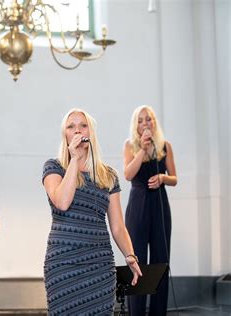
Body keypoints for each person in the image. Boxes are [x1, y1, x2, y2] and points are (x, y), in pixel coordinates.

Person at [42, 108, 142, 315]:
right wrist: (74, 160)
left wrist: (130, 255)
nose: (77, 130)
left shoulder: (108, 175)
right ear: (65, 135)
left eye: (83, 125)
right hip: (63, 262)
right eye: (71, 126)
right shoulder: (54, 167)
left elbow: (118, 226)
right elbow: (62, 202)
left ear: (91, 132)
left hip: (99, 264)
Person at [124, 105, 177, 316]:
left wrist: (163, 178)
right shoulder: (130, 146)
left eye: (149, 119)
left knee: (160, 261)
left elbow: (174, 178)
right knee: (137, 262)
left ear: (154, 122)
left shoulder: (165, 146)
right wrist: (143, 151)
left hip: (160, 207)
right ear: (135, 125)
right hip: (138, 208)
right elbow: (128, 174)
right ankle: (136, 313)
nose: (145, 123)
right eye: (140, 120)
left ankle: (158, 313)